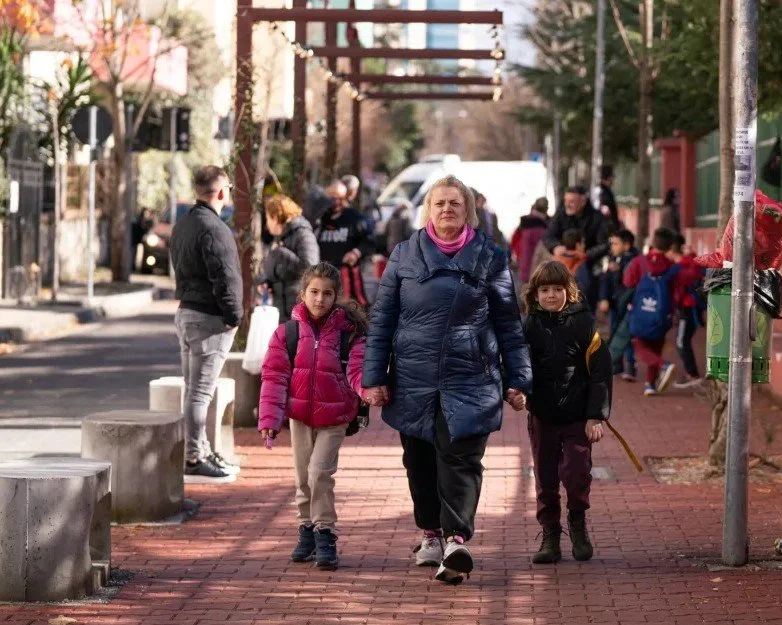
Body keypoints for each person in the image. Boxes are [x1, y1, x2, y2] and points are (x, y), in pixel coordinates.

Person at [361, 175, 532, 585]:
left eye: (455, 203)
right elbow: (381, 320)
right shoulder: (404, 254)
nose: (447, 209)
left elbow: (509, 323)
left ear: (468, 210)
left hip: (471, 378)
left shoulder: (490, 257)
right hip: (412, 379)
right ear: (428, 209)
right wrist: (374, 377)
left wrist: (520, 378)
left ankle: (456, 542)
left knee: (461, 460)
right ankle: (431, 534)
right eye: (439, 203)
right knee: (419, 462)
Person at [257, 262, 369, 571]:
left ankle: (325, 533)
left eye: (327, 294)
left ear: (336, 296)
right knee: (303, 478)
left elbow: (358, 371)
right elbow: (274, 377)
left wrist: (367, 390)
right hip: (300, 417)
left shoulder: (349, 335)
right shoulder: (288, 333)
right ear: (303, 293)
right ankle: (306, 529)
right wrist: (269, 419)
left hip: (335, 417)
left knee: (319, 473)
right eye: (314, 292)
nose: (320, 299)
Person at [522, 261, 612, 565]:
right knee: (545, 479)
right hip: (542, 416)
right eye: (545, 290)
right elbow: (519, 365)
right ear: (535, 294)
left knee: (576, 473)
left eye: (557, 289)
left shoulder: (584, 324)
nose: (551, 295)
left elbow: (601, 373)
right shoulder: (528, 326)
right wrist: (517, 389)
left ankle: (577, 524)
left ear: (569, 291)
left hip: (577, 416)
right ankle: (550, 536)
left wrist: (595, 416)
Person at [170, 166, 243, 482]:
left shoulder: (183, 224)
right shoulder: (215, 228)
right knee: (200, 392)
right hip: (208, 318)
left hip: (187, 312)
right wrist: (234, 316)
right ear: (222, 192)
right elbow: (226, 277)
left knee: (195, 390)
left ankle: (201, 449)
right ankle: (195, 456)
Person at [623, 227, 680, 396]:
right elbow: (676, 291)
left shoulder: (639, 261)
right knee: (656, 346)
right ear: (670, 246)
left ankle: (663, 365)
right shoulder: (671, 266)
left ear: (653, 242)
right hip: (662, 313)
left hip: (640, 311)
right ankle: (650, 384)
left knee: (640, 346)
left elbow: (627, 282)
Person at [542, 185, 611, 307]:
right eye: (566, 201)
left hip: (588, 267)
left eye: (572, 201)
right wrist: (555, 247)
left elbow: (604, 245)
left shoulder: (597, 218)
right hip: (563, 265)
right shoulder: (561, 214)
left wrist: (584, 255)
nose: (567, 204)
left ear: (583, 202)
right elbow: (548, 236)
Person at [261, 194, 320, 322]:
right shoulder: (280, 237)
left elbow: (310, 268)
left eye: (268, 219)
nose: (267, 225)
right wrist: (267, 282)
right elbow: (280, 269)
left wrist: (280, 252)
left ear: (276, 217)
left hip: (300, 310)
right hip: (282, 310)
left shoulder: (303, 233)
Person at [315, 180, 375, 305]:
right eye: (333, 198)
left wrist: (356, 253)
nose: (337, 202)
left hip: (347, 278)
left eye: (340, 199)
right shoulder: (320, 219)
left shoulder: (354, 218)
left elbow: (369, 241)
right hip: (324, 276)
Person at [597, 229, 639, 381]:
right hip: (615, 302)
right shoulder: (611, 258)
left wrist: (620, 270)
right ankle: (616, 365)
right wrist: (604, 298)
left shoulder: (635, 260)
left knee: (626, 334)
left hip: (628, 303)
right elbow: (605, 279)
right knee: (614, 331)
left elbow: (632, 283)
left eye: (615, 243)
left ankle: (630, 367)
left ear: (626, 245)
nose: (612, 247)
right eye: (612, 243)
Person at [669, 234, 705, 388]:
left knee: (681, 341)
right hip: (688, 308)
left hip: (687, 308)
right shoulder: (688, 262)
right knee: (683, 340)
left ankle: (692, 374)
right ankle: (690, 373)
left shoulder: (681, 267)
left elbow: (680, 289)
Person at [510, 197, 549, 284]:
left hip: (525, 263)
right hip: (538, 264)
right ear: (546, 209)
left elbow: (514, 239)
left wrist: (518, 252)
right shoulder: (545, 224)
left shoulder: (525, 222)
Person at [554, 229, 591, 296]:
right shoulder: (580, 262)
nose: (584, 246)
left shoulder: (554, 262)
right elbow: (585, 287)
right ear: (577, 245)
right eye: (583, 243)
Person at [598, 165, 620, 232]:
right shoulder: (603, 192)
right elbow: (605, 210)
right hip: (607, 229)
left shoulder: (605, 191)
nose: (613, 180)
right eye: (612, 177)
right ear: (609, 178)